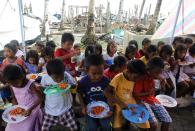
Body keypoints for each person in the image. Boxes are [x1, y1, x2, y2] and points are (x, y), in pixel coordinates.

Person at [104, 60, 150, 131]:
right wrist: (120, 104)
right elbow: (107, 92)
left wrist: (139, 102)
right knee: (117, 128)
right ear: (128, 72)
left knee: (145, 124)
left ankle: (128, 123)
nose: (137, 80)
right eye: (136, 77)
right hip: (119, 104)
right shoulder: (118, 77)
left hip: (131, 104)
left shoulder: (134, 78)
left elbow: (134, 94)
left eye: (139, 78)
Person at [133, 57, 172, 131]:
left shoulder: (154, 77)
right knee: (154, 124)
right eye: (156, 72)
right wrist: (149, 92)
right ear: (149, 69)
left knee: (167, 120)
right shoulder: (141, 77)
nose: (158, 74)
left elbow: (156, 91)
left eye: (160, 72)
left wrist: (163, 84)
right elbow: (135, 94)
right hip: (142, 101)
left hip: (152, 100)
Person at [3, 64, 43, 131]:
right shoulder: (11, 85)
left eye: (17, 83)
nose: (15, 86)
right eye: (12, 84)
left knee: (27, 128)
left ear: (22, 76)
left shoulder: (30, 85)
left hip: (33, 108)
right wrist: (14, 107)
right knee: (9, 128)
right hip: (20, 109)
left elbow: (41, 98)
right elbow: (14, 97)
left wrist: (30, 109)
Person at [77, 54, 112, 131]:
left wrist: (110, 109)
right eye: (94, 74)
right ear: (87, 70)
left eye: (100, 73)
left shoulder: (106, 80)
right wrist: (83, 107)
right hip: (89, 109)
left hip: (104, 108)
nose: (98, 76)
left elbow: (109, 95)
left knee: (106, 126)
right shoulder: (83, 82)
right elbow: (79, 94)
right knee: (91, 127)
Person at [41, 59, 78, 131]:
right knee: (44, 129)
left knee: (74, 128)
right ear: (49, 74)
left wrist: (68, 85)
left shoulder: (66, 75)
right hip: (50, 110)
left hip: (66, 109)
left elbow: (74, 85)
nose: (59, 79)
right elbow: (43, 88)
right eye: (56, 77)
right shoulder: (45, 78)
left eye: (61, 76)